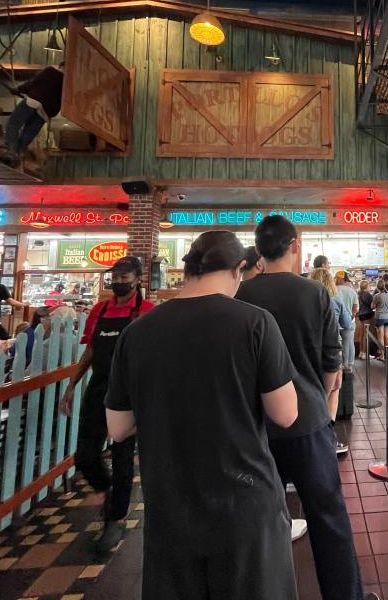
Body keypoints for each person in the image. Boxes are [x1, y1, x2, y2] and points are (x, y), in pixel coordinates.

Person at [105, 231, 298, 600]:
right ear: (239, 269)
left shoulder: (138, 332)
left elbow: (118, 427)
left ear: (188, 269)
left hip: (169, 510)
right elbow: (286, 414)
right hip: (245, 506)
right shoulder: (255, 323)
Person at [236, 216, 376, 600]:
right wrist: (326, 393)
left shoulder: (241, 295)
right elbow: (332, 361)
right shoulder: (313, 294)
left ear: (259, 249)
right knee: (328, 515)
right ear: (294, 245)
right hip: (309, 421)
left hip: (257, 427)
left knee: (261, 523)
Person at [58, 256, 154, 553]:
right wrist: (72, 385)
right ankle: (106, 488)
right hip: (98, 385)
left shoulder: (147, 312)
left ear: (137, 279)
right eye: (116, 275)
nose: (119, 280)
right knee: (85, 455)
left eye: (125, 276)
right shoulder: (99, 310)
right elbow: (90, 350)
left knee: (124, 455)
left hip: (129, 389)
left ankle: (115, 518)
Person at [310, 268, 352, 445]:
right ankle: (329, 433)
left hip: (309, 349)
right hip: (333, 348)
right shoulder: (335, 300)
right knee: (334, 389)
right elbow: (347, 324)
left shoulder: (306, 300)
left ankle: (314, 429)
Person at [4, 62, 64, 161]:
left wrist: (18, 89)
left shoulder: (50, 71)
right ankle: (18, 154)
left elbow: (33, 83)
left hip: (33, 102)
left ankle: (12, 151)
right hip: (45, 112)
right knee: (27, 134)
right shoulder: (68, 83)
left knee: (14, 123)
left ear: (60, 66)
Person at [334, 271, 359, 378]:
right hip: (349, 322)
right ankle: (349, 366)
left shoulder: (333, 290)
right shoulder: (352, 291)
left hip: (335, 323)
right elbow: (356, 308)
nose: (335, 279)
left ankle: (339, 366)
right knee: (349, 344)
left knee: (336, 345)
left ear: (340, 279)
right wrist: (351, 317)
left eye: (336, 278)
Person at [356, 280, 375, 360]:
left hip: (360, 315)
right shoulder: (368, 295)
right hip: (367, 315)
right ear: (367, 286)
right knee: (366, 335)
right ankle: (364, 353)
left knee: (362, 333)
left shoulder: (358, 294)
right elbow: (372, 306)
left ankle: (360, 352)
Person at [371, 279, 388, 349]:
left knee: (380, 336)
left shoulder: (377, 296)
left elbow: (372, 306)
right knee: (387, 335)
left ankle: (382, 355)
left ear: (377, 287)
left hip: (380, 317)